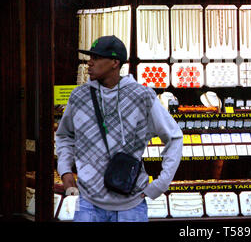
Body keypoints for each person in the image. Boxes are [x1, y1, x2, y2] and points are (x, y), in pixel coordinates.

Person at [55, 35, 183, 222]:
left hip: (131, 205)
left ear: (115, 62)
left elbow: (174, 137)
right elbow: (65, 135)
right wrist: (65, 171)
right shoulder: (79, 96)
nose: (89, 63)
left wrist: (160, 185)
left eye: (96, 58)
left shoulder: (142, 96)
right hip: (88, 203)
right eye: (90, 57)